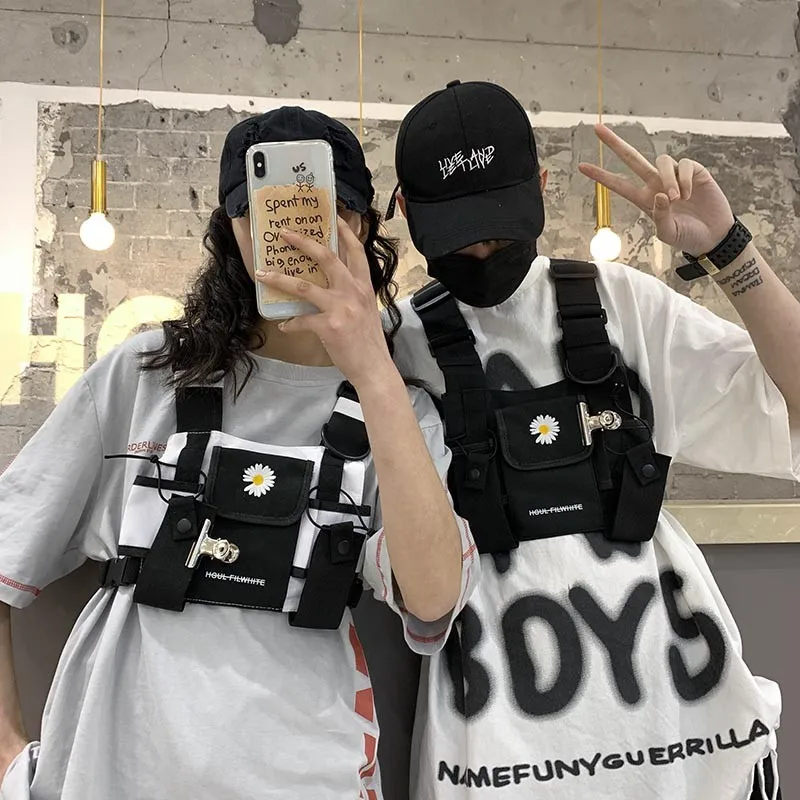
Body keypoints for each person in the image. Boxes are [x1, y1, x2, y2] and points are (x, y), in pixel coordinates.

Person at [0, 107, 478, 800]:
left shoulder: (398, 410)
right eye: (267, 212)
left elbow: (433, 600)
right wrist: (6, 751)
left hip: (311, 773)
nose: (297, 234)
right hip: (113, 773)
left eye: (326, 210)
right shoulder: (148, 375)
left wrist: (373, 369)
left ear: (362, 225)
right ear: (232, 228)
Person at [388, 80, 799, 800]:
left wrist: (728, 251)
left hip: (696, 749)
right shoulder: (395, 348)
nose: (482, 250)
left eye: (498, 227)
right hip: (502, 763)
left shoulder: (621, 305)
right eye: (458, 233)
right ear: (406, 214)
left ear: (542, 189)